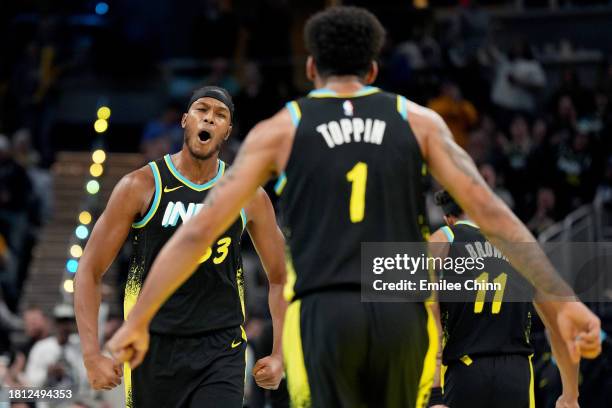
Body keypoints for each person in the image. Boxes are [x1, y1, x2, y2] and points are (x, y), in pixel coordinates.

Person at [108, 6, 601, 408]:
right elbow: (494, 216)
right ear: (373, 70)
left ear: (309, 67)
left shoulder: (282, 127)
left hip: (323, 310)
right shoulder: (419, 121)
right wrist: (567, 300)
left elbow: (197, 232)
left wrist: (136, 319)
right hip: (397, 317)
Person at [74, 86, 287, 408]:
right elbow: (89, 270)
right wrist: (91, 354)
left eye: (220, 115)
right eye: (202, 110)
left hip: (221, 345)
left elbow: (281, 276)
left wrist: (280, 353)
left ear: (228, 131)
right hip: (151, 343)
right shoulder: (141, 185)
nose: (210, 119)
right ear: (186, 120)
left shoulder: (249, 195)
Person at [427, 191, 579, 408]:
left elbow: (426, 312)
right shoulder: (520, 243)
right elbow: (559, 322)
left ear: (449, 219)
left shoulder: (446, 236)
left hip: (465, 370)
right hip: (515, 373)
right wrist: (570, 395)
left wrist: (434, 394)